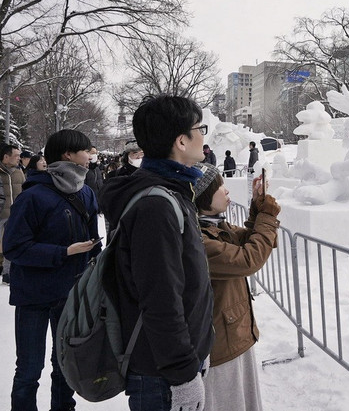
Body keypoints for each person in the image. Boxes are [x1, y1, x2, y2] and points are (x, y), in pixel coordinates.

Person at [100, 94, 214, 411]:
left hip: (171, 364)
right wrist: (183, 376)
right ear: (181, 140)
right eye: (200, 128)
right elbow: (160, 299)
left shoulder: (172, 192)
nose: (204, 136)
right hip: (162, 375)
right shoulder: (157, 205)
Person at [2, 130, 99, 411]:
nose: (90, 156)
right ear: (67, 155)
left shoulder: (87, 193)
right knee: (29, 369)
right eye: (85, 151)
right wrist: (63, 253)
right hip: (33, 295)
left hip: (71, 294)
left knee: (65, 365)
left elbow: (93, 244)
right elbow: (14, 247)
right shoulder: (33, 196)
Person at [193, 163, 279, 411]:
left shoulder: (214, 226)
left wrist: (257, 209)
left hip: (233, 333)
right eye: (220, 186)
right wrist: (267, 216)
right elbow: (248, 259)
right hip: (220, 345)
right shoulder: (199, 238)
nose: (227, 191)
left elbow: (248, 240)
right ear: (203, 198)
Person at [0, 143, 25, 284]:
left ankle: (7, 273)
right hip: (1, 214)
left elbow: (24, 191)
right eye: (16, 156)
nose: (19, 159)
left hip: (14, 215)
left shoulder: (18, 172)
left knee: (10, 243)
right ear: (6, 157)